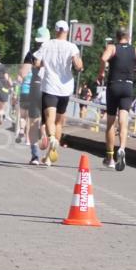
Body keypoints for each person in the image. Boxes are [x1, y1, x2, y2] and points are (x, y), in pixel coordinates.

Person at [99, 27, 136, 170]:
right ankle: (121, 148)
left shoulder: (112, 47)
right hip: (128, 86)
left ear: (117, 37)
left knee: (110, 122)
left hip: (114, 85)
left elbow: (103, 58)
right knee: (123, 121)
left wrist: (101, 73)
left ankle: (110, 157)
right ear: (129, 37)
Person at [33, 20, 83, 166]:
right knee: (59, 122)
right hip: (65, 88)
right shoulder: (72, 47)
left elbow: (36, 63)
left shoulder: (46, 45)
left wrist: (45, 64)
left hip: (50, 86)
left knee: (50, 117)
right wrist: (79, 66)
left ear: (55, 30)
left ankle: (51, 138)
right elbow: (78, 65)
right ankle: (49, 157)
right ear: (67, 31)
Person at [19, 26, 49, 163]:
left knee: (33, 121)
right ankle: (47, 152)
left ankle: (35, 155)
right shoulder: (53, 51)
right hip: (51, 88)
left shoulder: (32, 53)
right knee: (48, 120)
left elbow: (23, 73)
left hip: (36, 86)